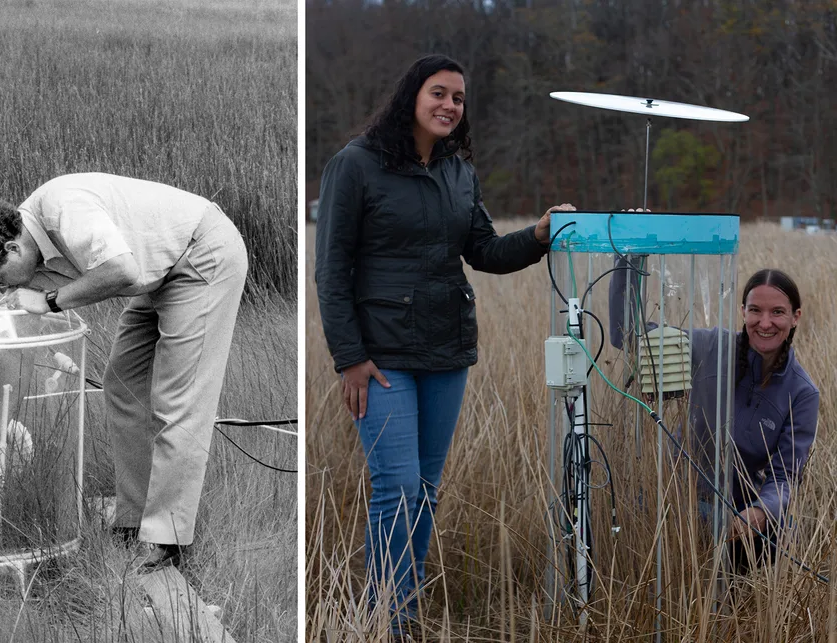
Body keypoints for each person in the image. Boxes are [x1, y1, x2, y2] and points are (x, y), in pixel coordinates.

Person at [314, 53, 575, 636]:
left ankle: (404, 614)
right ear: (412, 95)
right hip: (380, 359)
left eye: (458, 98)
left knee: (426, 491)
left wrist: (536, 236)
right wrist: (349, 359)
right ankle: (386, 619)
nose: (449, 106)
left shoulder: (459, 172)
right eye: (439, 93)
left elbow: (482, 251)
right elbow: (331, 272)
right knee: (397, 486)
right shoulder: (355, 165)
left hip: (446, 350)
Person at [0, 172, 248, 569]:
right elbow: (19, 348)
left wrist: (51, 301)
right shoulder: (28, 259)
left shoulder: (62, 209)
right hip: (158, 272)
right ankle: (132, 521)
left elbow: (122, 270)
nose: (0, 291)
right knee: (123, 384)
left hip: (201, 253)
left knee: (179, 399)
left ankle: (168, 541)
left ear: (11, 249)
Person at [610, 263, 819, 571]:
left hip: (736, 518)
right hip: (677, 501)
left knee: (784, 534)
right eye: (755, 310)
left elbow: (784, 477)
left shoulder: (803, 393)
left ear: (795, 317)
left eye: (777, 312)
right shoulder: (712, 346)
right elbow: (627, 336)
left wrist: (760, 512)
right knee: (637, 511)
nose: (765, 322)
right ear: (742, 311)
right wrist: (629, 260)